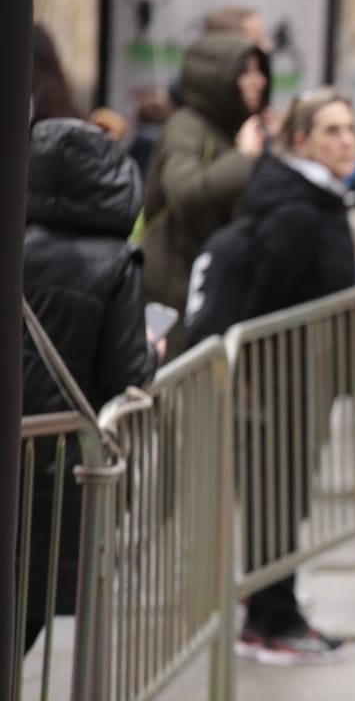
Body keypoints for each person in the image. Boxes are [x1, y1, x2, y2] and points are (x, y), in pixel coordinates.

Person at [21, 117, 163, 653]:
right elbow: (128, 370)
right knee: (27, 610)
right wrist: (153, 349)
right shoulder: (115, 262)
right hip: (59, 464)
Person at [232, 89, 355, 665]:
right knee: (277, 498)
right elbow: (266, 297)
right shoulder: (299, 208)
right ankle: (270, 618)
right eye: (332, 130)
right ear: (302, 140)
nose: (347, 140)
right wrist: (256, 371)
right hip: (287, 375)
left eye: (351, 129)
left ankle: (277, 611)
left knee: (288, 496)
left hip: (308, 373)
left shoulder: (319, 197)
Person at [139, 30, 269, 357]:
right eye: (245, 72)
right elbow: (185, 191)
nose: (258, 82)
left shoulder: (234, 129)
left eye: (258, 71)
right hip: (170, 292)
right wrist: (243, 158)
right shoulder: (186, 126)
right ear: (217, 79)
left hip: (206, 289)